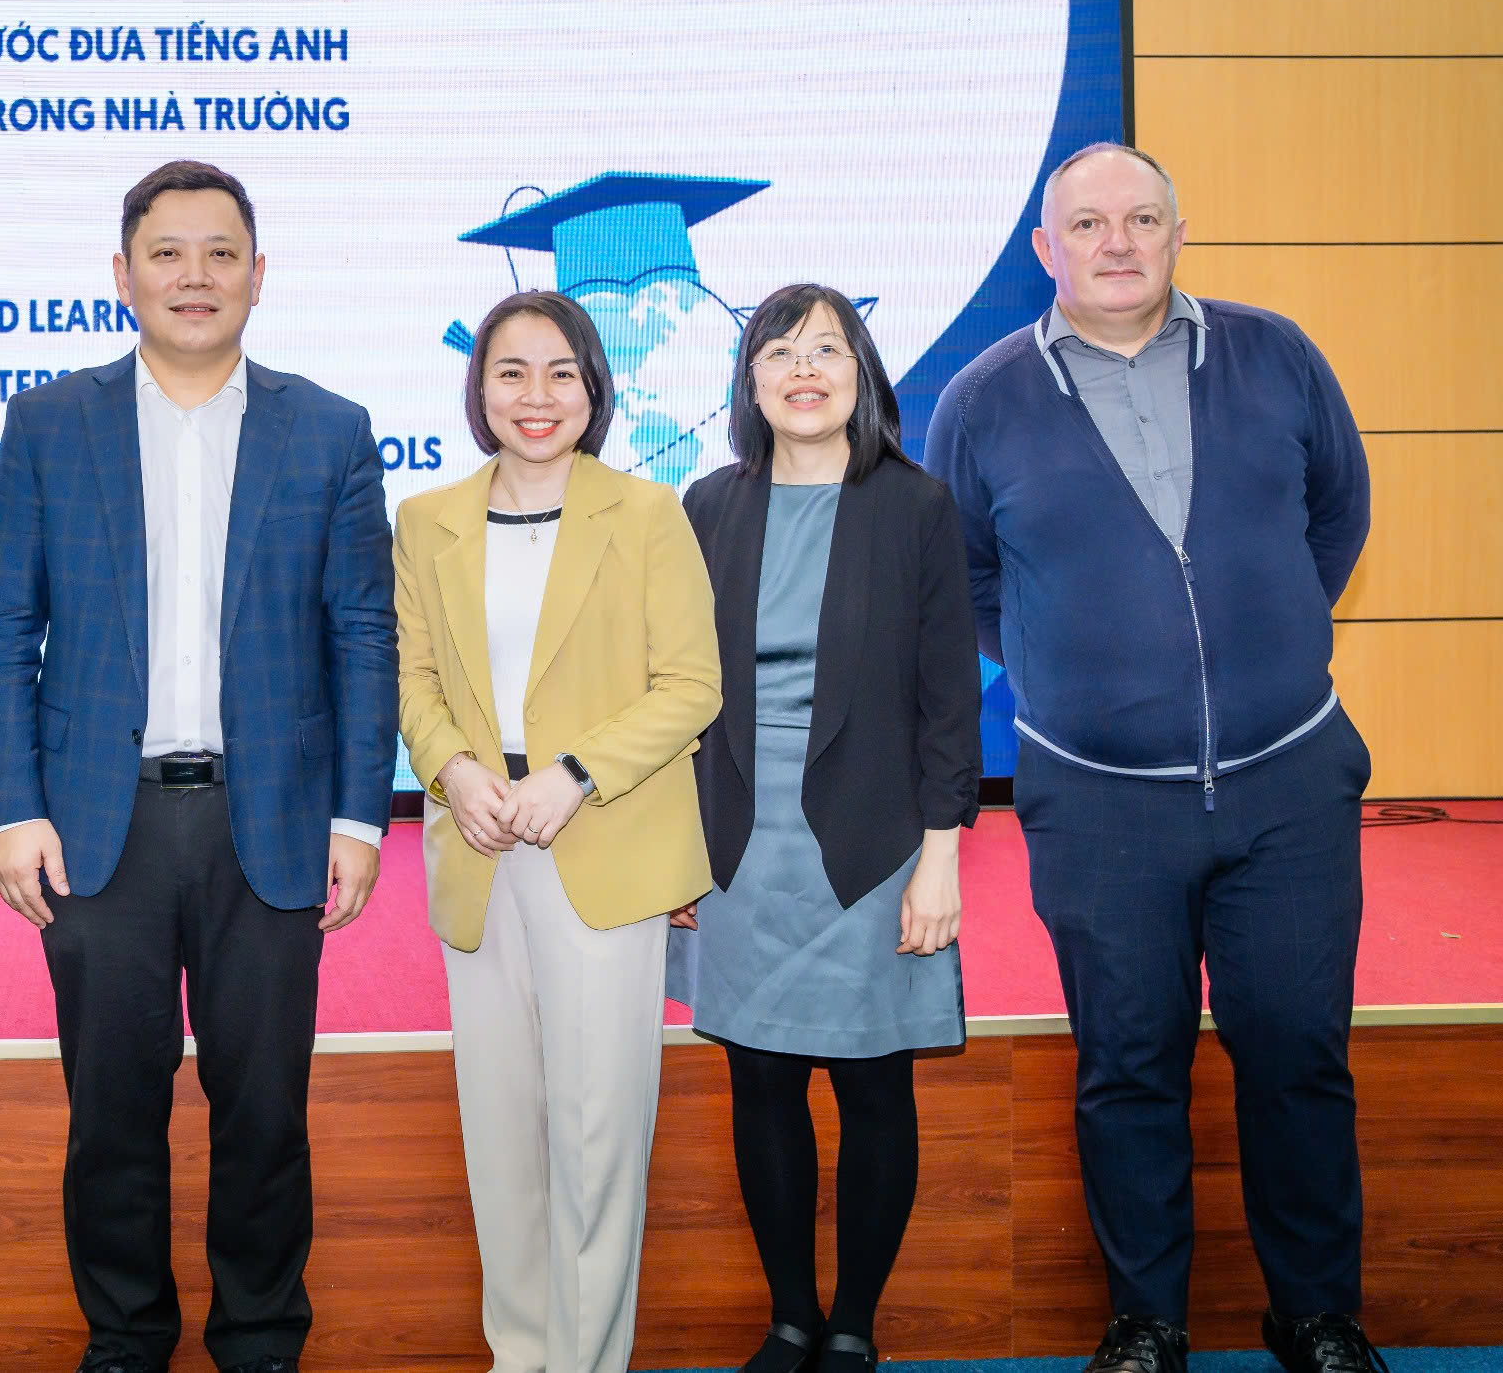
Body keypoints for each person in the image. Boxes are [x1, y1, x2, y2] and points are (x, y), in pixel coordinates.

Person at [925, 143, 1375, 1373]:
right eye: (1086, 224)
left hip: (1287, 782)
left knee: (1297, 1054)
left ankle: (1316, 1315)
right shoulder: (981, 400)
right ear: (1044, 250)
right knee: (1127, 1068)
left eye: (1139, 218)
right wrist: (1082, 668)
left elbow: (1335, 515)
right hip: (1098, 806)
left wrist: (1256, 638)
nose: (1115, 242)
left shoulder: (1274, 354)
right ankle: (1146, 1321)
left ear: (1178, 233)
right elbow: (967, 578)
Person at [0, 159, 399, 1373]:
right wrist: (9, 806)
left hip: (273, 822)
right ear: (123, 275)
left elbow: (363, 634)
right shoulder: (51, 424)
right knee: (111, 1111)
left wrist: (359, 817)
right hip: (96, 826)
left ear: (259, 275)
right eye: (166, 253)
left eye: (220, 253)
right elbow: (3, 626)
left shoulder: (329, 429)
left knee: (264, 1111)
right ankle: (126, 1337)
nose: (193, 276)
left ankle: (259, 1337)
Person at [391, 290, 721, 1373]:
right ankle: (520, 1354)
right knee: (500, 1131)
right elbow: (412, 677)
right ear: (478, 389)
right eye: (511, 372)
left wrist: (576, 775)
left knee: (596, 1133)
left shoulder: (648, 513)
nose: (536, 396)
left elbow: (692, 685)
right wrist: (452, 768)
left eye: (560, 372)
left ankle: (587, 1360)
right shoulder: (426, 519)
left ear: (593, 387)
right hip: (481, 844)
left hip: (601, 840)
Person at [671, 283, 983, 1373]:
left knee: (872, 1083)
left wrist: (940, 858)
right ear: (750, 380)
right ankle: (791, 1316)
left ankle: (853, 1325)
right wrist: (676, 848)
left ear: (862, 376)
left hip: (874, 844)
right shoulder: (709, 505)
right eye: (780, 351)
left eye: (828, 350)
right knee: (759, 1082)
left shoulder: (914, 504)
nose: (804, 370)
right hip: (739, 844)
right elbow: (678, 692)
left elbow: (950, 700)